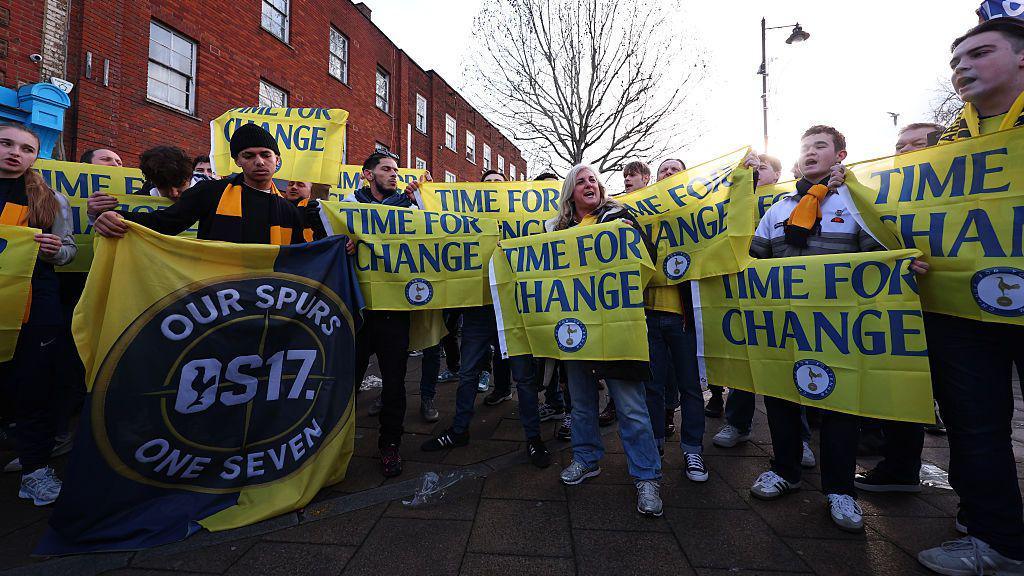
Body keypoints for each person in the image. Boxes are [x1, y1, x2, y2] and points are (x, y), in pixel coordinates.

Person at [746, 125, 928, 533]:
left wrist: (903, 267)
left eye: (820, 146)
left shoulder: (857, 204)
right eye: (805, 146)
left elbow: (880, 255)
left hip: (838, 329)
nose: (810, 152)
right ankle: (785, 469)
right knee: (780, 397)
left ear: (840, 156)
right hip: (784, 324)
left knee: (840, 404)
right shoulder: (776, 210)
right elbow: (754, 261)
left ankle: (841, 488)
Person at [916, 18, 1024, 574]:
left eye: (980, 53)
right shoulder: (949, 143)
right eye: (956, 61)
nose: (962, 68)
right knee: (974, 426)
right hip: (961, 307)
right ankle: (996, 541)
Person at [418, 169, 553, 469]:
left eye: (498, 185)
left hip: (514, 309)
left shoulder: (522, 221)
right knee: (467, 374)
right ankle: (459, 430)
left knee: (524, 378)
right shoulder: (468, 220)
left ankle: (533, 438)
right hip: (478, 309)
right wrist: (419, 195)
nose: (492, 189)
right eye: (487, 185)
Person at [549, 163, 662, 517]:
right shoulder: (556, 229)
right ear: (570, 192)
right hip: (576, 328)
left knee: (630, 406)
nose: (589, 184)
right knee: (581, 402)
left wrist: (634, 237)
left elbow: (649, 261)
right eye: (581, 181)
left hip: (616, 327)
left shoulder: (621, 216)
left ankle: (646, 476)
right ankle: (586, 458)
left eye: (594, 180)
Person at [0, 123, 77, 505]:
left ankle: (35, 470)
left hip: (35, 303)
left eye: (27, 148)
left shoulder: (50, 199)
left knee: (34, 386)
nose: (15, 153)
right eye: (6, 144)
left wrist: (54, 251)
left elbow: (69, 250)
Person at [90, 123, 313, 244]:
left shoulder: (287, 209)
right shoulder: (210, 192)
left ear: (277, 160)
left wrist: (345, 245)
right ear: (237, 161)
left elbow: (302, 254)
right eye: (249, 155)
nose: (259, 162)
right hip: (218, 297)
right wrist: (118, 217)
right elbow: (165, 223)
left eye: (266, 154)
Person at [343, 151, 416, 478]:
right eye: (386, 169)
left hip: (393, 312)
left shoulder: (410, 208)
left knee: (395, 384)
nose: (393, 175)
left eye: (395, 170)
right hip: (357, 311)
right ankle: (336, 442)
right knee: (347, 381)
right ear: (367, 175)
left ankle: (390, 445)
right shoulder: (347, 208)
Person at [705, 153, 784, 418]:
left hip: (776, 289)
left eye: (763, 168)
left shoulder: (787, 199)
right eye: (755, 169)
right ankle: (737, 422)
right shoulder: (732, 199)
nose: (757, 172)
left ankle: (798, 440)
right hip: (738, 285)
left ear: (777, 175)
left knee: (782, 364)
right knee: (742, 355)